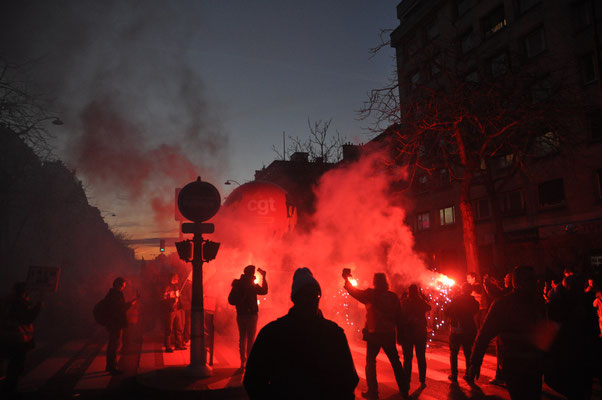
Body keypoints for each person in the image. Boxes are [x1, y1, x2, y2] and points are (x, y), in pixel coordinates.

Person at [244, 267, 358, 399]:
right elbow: (349, 381)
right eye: (304, 295)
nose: (310, 299)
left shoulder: (272, 332)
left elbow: (348, 381)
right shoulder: (333, 333)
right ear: (295, 298)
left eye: (314, 294)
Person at [467, 266, 547, 399]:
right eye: (530, 280)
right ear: (519, 282)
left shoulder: (537, 303)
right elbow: (484, 334)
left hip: (530, 365)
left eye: (534, 280)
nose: (534, 283)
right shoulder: (506, 304)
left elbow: (546, 334)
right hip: (516, 365)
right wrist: (475, 362)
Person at [344, 271, 408, 399]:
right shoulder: (393, 297)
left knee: (371, 363)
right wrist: (400, 335)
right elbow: (399, 318)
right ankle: (404, 388)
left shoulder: (370, 294)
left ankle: (373, 392)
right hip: (389, 333)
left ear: (375, 282)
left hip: (374, 334)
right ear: (386, 282)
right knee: (395, 362)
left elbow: (354, 292)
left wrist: (346, 279)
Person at [0, 282, 42, 393]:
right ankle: (10, 388)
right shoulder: (19, 302)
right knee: (16, 364)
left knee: (8, 361)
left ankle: (7, 384)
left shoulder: (5, 300)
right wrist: (39, 305)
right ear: (23, 292)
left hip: (4, 336)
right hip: (16, 338)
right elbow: (27, 317)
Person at [228, 265, 268, 368]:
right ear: (251, 273)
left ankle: (242, 361)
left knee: (242, 338)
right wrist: (264, 277)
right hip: (251, 315)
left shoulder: (237, 284)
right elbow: (264, 291)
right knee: (250, 339)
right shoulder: (251, 285)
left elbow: (230, 300)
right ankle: (249, 360)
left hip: (241, 315)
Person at [444, 282, 478, 383]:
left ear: (462, 290)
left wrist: (455, 315)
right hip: (468, 329)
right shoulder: (474, 302)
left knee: (454, 353)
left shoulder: (456, 299)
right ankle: (469, 374)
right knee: (468, 353)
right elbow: (475, 311)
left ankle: (454, 375)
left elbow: (447, 311)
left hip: (456, 330)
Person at [399, 284, 431, 388]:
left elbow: (400, 314)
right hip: (420, 333)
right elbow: (429, 306)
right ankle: (422, 380)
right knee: (421, 357)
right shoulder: (421, 302)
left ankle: (407, 380)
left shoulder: (405, 302)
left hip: (408, 333)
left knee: (407, 359)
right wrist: (422, 296)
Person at [104, 277, 137, 375]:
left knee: (115, 344)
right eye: (123, 286)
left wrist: (130, 304)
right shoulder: (115, 295)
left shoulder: (112, 294)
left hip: (114, 323)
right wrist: (130, 304)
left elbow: (120, 308)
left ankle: (111, 365)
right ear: (118, 285)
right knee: (114, 345)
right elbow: (120, 309)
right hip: (115, 324)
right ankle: (111, 367)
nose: (124, 288)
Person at [161, 272, 185, 352]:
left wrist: (181, 302)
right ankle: (168, 346)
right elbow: (163, 299)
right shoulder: (167, 287)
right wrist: (171, 301)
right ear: (173, 278)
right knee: (169, 329)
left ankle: (178, 345)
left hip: (178, 310)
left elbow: (179, 297)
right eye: (176, 277)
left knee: (179, 328)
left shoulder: (177, 286)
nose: (178, 279)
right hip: (170, 311)